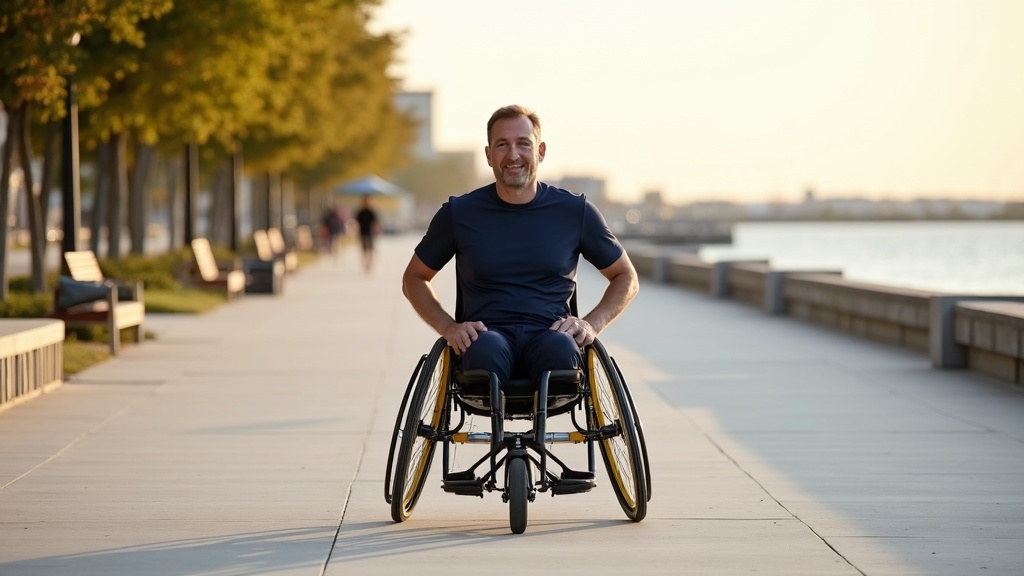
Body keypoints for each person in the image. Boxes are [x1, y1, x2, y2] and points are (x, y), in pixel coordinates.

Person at [402, 104, 639, 387]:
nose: (513, 155)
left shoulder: (575, 211)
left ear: (540, 151)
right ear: (489, 155)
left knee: (561, 351)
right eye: (502, 145)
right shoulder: (460, 213)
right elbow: (414, 277)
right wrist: (448, 327)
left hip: (550, 335)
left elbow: (626, 276)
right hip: (486, 338)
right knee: (485, 352)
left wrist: (592, 323)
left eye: (523, 144)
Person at [355, 194, 381, 272]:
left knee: (370, 249)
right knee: (364, 249)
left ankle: (369, 263)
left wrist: (377, 229)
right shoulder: (360, 212)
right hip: (363, 232)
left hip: (370, 233)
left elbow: (376, 222)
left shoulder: (371, 212)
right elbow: (356, 222)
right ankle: (366, 263)